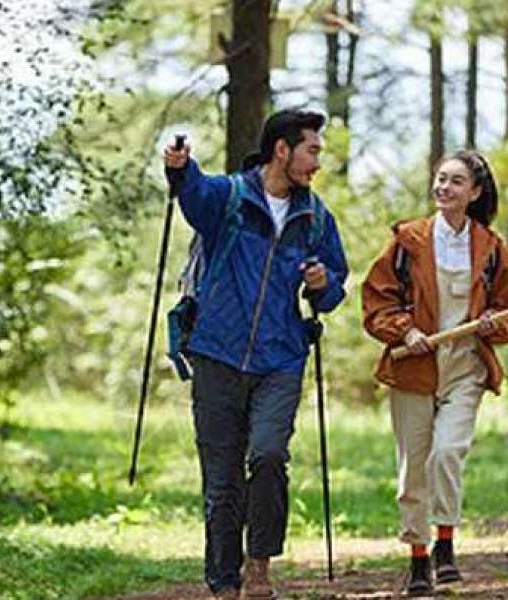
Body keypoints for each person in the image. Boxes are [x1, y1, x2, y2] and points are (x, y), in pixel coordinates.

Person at [162, 109, 349, 600]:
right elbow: (193, 193)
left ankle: (259, 566)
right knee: (222, 481)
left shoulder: (316, 217)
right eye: (312, 150)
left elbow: (334, 288)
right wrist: (181, 168)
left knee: (268, 457)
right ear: (282, 150)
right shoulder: (228, 198)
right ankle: (225, 585)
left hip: (280, 359)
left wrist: (323, 284)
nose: (317, 163)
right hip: (216, 354)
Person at [361, 150, 508, 597]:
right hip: (415, 366)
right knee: (413, 466)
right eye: (440, 179)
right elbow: (377, 301)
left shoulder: (491, 247)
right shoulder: (408, 240)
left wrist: (494, 319)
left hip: (465, 366)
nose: (444, 188)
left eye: (456, 182)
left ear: (474, 192)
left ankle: (446, 546)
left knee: (447, 452)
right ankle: (418, 558)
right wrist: (407, 329)